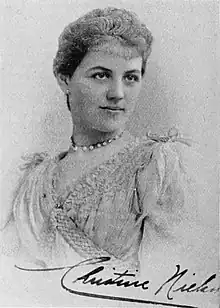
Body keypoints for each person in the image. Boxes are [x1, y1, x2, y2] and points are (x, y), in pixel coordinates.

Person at [3, 7, 192, 272]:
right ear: (64, 79)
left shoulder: (154, 166)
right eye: (101, 75)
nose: (117, 93)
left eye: (130, 78)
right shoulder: (33, 179)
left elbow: (170, 273)